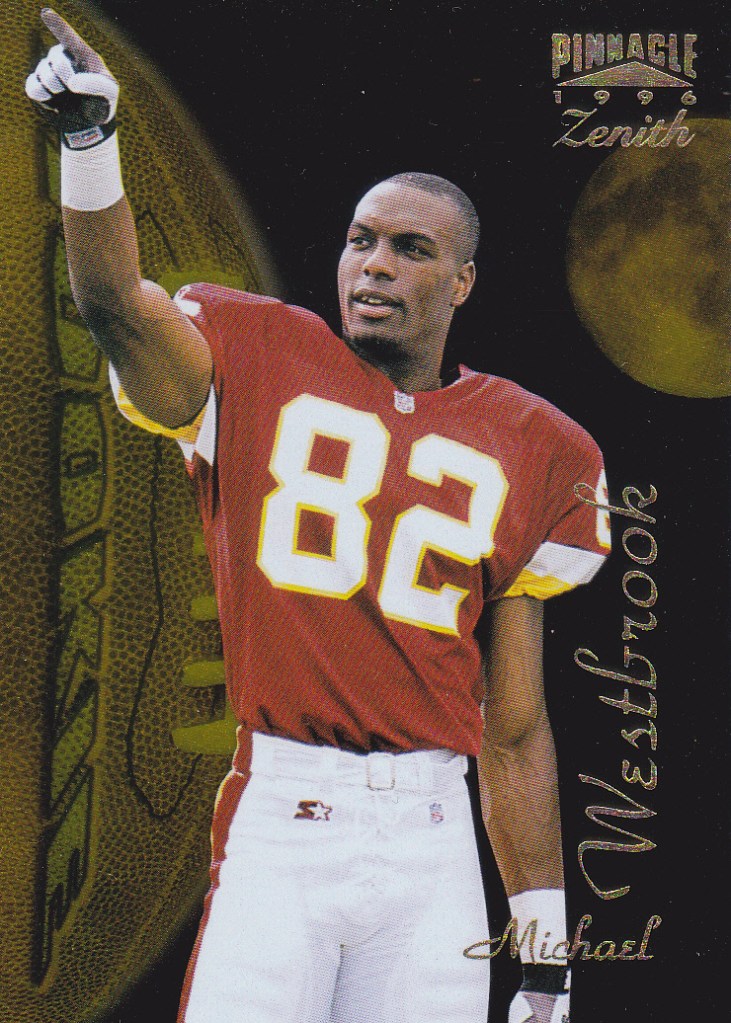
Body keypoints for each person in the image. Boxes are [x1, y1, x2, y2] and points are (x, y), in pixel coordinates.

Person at [26, 10, 610, 1023]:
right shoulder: (253, 354)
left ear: (462, 281)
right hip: (283, 827)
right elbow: (114, 303)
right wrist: (90, 142)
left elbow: (513, 730)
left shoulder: (537, 445)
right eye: (358, 240)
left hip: (433, 847)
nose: (373, 264)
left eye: (410, 249)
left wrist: (546, 955)